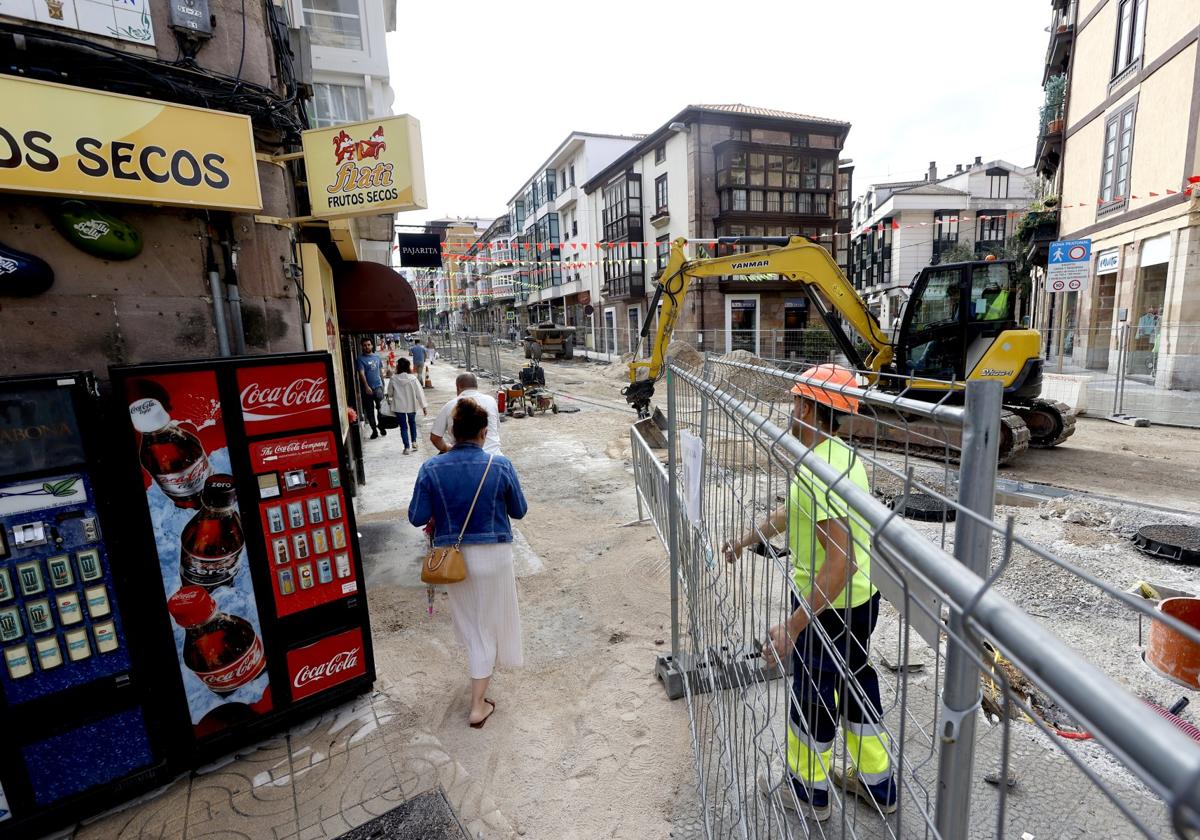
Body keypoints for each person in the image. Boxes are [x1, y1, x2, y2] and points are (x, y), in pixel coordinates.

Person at [724, 364, 894, 823]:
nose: (789, 408)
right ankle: (879, 784)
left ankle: (807, 794)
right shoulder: (836, 456)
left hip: (829, 606)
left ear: (807, 407)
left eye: (794, 400)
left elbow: (840, 562)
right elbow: (793, 510)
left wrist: (793, 625)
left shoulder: (819, 470)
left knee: (813, 695)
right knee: (856, 683)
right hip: (858, 600)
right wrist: (747, 538)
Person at [408, 399, 528, 728]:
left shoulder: (432, 468)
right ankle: (477, 705)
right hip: (494, 557)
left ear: (452, 432)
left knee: (475, 627)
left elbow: (416, 515)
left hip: (453, 560)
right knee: (486, 627)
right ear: (483, 433)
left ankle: (479, 689)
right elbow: (519, 510)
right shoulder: (500, 465)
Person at [430, 373, 501, 454]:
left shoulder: (450, 405)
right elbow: (496, 428)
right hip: (494, 455)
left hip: (460, 458)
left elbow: (435, 437)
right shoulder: (491, 401)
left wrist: (447, 448)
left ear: (458, 387)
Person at [386, 358, 427, 454]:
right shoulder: (413, 378)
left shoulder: (393, 378)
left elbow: (390, 393)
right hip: (411, 405)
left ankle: (407, 447)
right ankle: (414, 442)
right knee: (412, 423)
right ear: (408, 367)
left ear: (398, 367)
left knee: (403, 427)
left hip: (399, 406)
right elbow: (419, 394)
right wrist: (424, 407)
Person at [356, 337, 386, 439]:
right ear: (362, 347)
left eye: (368, 345)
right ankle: (374, 430)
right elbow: (361, 374)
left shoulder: (377, 357)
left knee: (381, 409)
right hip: (367, 389)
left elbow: (380, 371)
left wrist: (383, 384)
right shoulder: (360, 359)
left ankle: (381, 426)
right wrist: (366, 386)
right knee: (369, 411)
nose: (367, 347)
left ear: (372, 345)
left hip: (378, 387)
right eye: (364, 345)